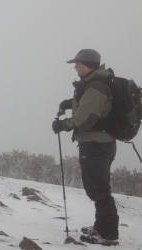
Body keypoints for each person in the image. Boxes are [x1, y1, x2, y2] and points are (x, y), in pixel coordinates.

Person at [53, 49, 119, 245]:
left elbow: (85, 118)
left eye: (78, 63)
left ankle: (107, 233)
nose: (75, 66)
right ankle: (102, 226)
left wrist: (63, 125)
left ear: (87, 65)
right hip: (100, 143)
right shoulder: (94, 84)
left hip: (95, 144)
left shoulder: (96, 87)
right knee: (98, 187)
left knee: (98, 189)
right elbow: (89, 108)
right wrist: (70, 103)